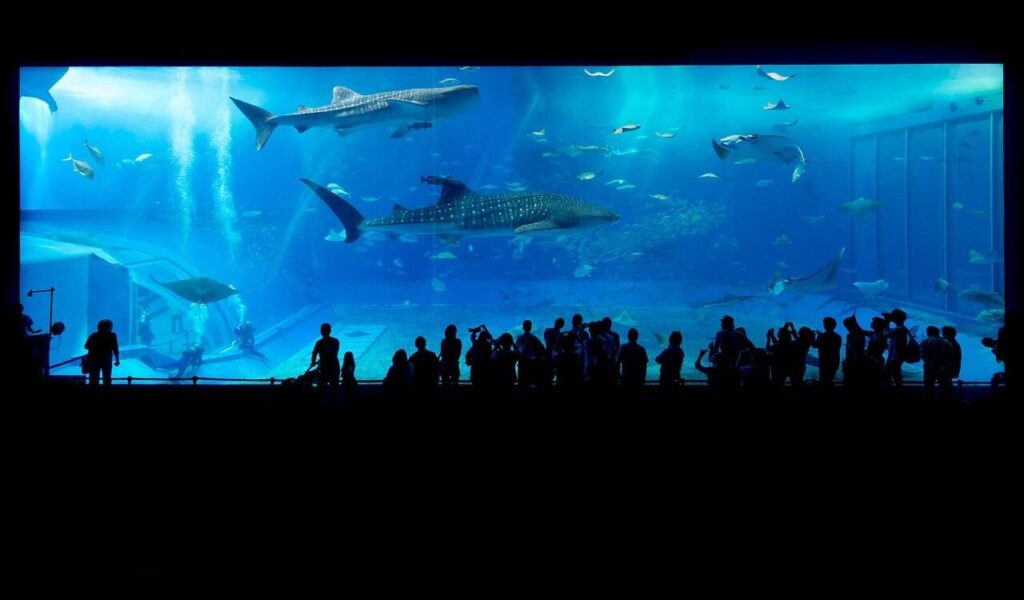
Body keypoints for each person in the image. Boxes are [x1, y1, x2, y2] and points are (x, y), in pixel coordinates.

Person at [921, 326, 954, 399]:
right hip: (943, 368)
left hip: (929, 368)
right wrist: (943, 365)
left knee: (928, 387)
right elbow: (951, 356)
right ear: (938, 333)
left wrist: (930, 363)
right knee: (945, 388)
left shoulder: (925, 341)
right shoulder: (947, 343)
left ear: (928, 333)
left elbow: (923, 355)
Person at [85, 319, 120, 387]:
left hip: (94, 360)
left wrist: (95, 347)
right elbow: (115, 348)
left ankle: (93, 395)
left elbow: (86, 346)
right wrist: (117, 359)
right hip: (106, 360)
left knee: (93, 379)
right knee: (107, 379)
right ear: (109, 327)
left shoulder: (94, 335)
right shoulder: (112, 335)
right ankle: (106, 395)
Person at [311, 323, 340, 398]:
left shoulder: (319, 343)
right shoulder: (335, 341)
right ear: (330, 331)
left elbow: (314, 353)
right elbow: (333, 354)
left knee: (323, 387)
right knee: (334, 387)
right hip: (333, 367)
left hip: (326, 367)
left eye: (322, 330)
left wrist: (314, 362)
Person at [617, 328, 649, 393]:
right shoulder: (641, 349)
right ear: (637, 337)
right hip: (638, 378)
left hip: (626, 377)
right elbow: (645, 364)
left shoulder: (623, 347)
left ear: (628, 336)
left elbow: (618, 362)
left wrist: (618, 375)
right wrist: (643, 378)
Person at [813, 317, 842, 387]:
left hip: (824, 362)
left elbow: (815, 345)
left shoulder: (822, 336)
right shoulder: (838, 337)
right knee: (828, 381)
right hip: (834, 362)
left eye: (825, 323)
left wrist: (813, 336)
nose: (824, 325)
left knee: (824, 381)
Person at [439, 324, 463, 388]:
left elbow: (442, 353)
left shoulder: (443, 341)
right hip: (454, 364)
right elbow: (458, 354)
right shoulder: (458, 341)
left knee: (445, 385)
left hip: (445, 365)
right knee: (454, 385)